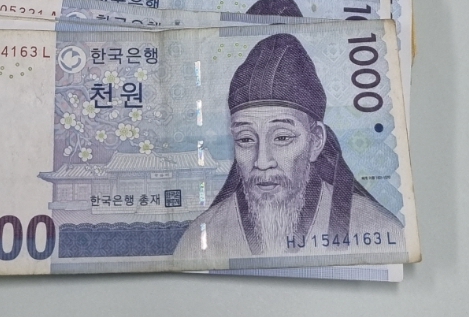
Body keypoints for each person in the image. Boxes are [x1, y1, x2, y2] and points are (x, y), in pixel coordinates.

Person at [173, 33, 404, 262]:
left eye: (282, 137)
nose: (262, 161)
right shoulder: (200, 238)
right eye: (246, 139)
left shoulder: (378, 227)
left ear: (315, 141)